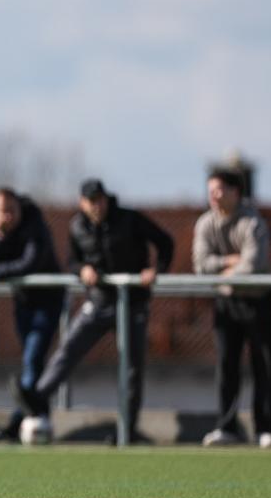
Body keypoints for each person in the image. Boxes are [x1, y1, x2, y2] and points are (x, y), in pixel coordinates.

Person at [15, 179, 174, 444]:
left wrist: (156, 270)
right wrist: (82, 270)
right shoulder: (77, 227)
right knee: (69, 348)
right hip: (99, 302)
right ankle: (36, 398)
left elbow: (164, 242)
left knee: (131, 366)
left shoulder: (129, 219)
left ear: (106, 199)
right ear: (82, 203)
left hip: (132, 302)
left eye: (100, 199)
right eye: (91, 201)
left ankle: (127, 428)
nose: (97, 205)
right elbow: (73, 261)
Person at [193, 168, 271, 448]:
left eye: (220, 190)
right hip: (226, 303)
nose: (214, 196)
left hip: (257, 300)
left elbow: (253, 263)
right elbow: (201, 264)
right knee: (227, 364)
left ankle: (265, 429)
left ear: (235, 191)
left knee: (263, 364)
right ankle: (228, 428)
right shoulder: (205, 223)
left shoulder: (252, 222)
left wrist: (225, 274)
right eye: (211, 191)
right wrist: (229, 263)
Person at [0, 187, 64, 441]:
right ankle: (39, 418)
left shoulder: (35, 225)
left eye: (10, 210)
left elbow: (30, 263)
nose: (7, 216)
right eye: (0, 212)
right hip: (23, 302)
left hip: (48, 301)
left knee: (33, 359)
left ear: (18, 207)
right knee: (32, 360)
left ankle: (16, 421)